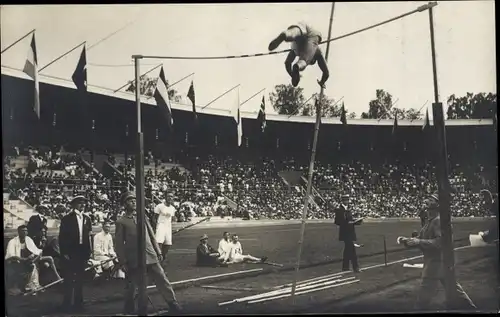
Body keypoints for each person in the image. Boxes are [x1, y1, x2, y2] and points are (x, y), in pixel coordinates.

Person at [400, 193, 477, 311]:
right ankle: (473, 310)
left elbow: (439, 243)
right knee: (456, 291)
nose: (427, 200)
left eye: (431, 199)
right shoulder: (429, 221)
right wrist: (407, 241)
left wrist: (418, 241)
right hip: (440, 263)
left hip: (436, 264)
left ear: (437, 205)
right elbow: (421, 241)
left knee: (422, 301)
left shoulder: (438, 221)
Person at [115, 191, 182, 314]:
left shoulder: (142, 216)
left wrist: (158, 251)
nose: (133, 202)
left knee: (162, 278)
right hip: (134, 257)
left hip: (150, 254)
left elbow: (151, 235)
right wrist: (122, 262)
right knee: (132, 284)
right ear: (124, 204)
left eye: (135, 200)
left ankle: (172, 302)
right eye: (130, 201)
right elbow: (118, 244)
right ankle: (129, 307)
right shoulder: (121, 221)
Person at [58, 195, 93, 313]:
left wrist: (88, 252)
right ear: (74, 205)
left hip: (82, 251)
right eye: (80, 203)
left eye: (84, 203)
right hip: (70, 252)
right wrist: (65, 252)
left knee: (80, 279)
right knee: (69, 278)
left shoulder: (87, 218)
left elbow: (87, 237)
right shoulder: (67, 219)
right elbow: (62, 237)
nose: (82, 205)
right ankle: (66, 304)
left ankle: (79, 304)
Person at [268, 22, 329, 88]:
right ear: (313, 58)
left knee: (294, 32)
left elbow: (287, 63)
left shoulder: (295, 51)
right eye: (311, 61)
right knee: (303, 60)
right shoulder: (317, 52)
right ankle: (298, 65)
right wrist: (322, 82)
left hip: (304, 27)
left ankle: (286, 34)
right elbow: (326, 73)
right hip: (313, 35)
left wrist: (292, 75)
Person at [334, 194, 363, 273]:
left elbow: (350, 220)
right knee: (352, 250)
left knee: (347, 250)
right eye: (346, 200)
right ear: (343, 201)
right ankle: (355, 267)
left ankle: (345, 268)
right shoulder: (339, 209)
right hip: (345, 233)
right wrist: (348, 223)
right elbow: (337, 222)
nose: (347, 202)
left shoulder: (348, 209)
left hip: (350, 232)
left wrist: (355, 222)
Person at [154, 192, 176, 260]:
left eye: (171, 196)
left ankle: (163, 258)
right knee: (159, 242)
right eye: (168, 196)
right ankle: (157, 257)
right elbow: (154, 218)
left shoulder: (172, 208)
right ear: (165, 197)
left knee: (168, 244)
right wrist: (155, 228)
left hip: (168, 227)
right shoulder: (159, 206)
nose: (170, 198)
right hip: (160, 226)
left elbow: (172, 219)